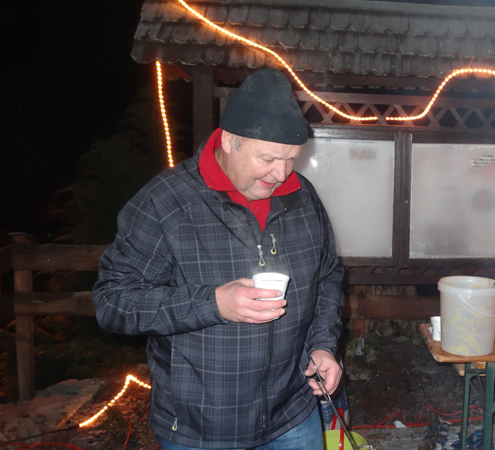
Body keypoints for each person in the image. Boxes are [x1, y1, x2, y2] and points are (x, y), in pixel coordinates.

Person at [93, 68, 344, 450]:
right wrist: (213, 304)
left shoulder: (303, 198)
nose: (281, 174)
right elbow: (113, 302)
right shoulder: (166, 202)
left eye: (291, 158)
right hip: (200, 427)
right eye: (268, 158)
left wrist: (322, 344)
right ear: (229, 140)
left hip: (292, 413)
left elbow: (328, 276)